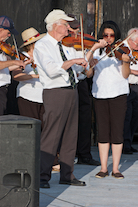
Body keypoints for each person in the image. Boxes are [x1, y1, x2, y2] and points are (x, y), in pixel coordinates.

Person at [33, 9, 106, 188]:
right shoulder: (43, 45)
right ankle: (42, 177)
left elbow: (81, 71)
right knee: (52, 135)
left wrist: (91, 52)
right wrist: (73, 62)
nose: (69, 28)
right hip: (55, 92)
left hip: (72, 90)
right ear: (55, 25)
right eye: (66, 25)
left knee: (70, 135)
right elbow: (52, 70)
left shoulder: (67, 46)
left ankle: (67, 174)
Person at [87, 20, 131, 179]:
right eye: (105, 35)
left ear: (116, 35)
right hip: (100, 94)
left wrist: (125, 62)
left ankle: (116, 169)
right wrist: (91, 65)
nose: (109, 38)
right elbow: (88, 75)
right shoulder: (97, 51)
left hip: (118, 94)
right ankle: (104, 167)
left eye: (112, 35)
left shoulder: (124, 51)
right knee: (103, 132)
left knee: (117, 132)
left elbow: (125, 75)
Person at [67, 14, 100, 166]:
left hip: (81, 84)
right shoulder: (62, 45)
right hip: (66, 84)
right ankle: (66, 155)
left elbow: (88, 73)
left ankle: (84, 154)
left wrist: (90, 66)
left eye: (76, 27)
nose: (75, 30)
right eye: (72, 27)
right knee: (68, 121)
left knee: (85, 119)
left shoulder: (82, 45)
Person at [12, 27, 45, 128]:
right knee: (30, 128)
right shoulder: (22, 57)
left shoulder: (44, 55)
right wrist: (34, 76)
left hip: (44, 96)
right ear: (33, 44)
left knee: (45, 128)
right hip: (28, 96)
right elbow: (16, 76)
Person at [0, 15, 28, 115]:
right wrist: (14, 61)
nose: (9, 36)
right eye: (8, 33)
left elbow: (5, 68)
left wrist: (24, 63)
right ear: (1, 30)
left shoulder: (2, 47)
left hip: (3, 90)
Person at [123, 28, 138, 154]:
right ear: (130, 40)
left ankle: (130, 141)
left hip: (136, 86)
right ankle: (124, 144)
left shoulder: (135, 50)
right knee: (127, 116)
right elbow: (121, 67)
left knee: (135, 116)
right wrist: (135, 72)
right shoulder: (123, 49)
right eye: (137, 44)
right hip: (128, 85)